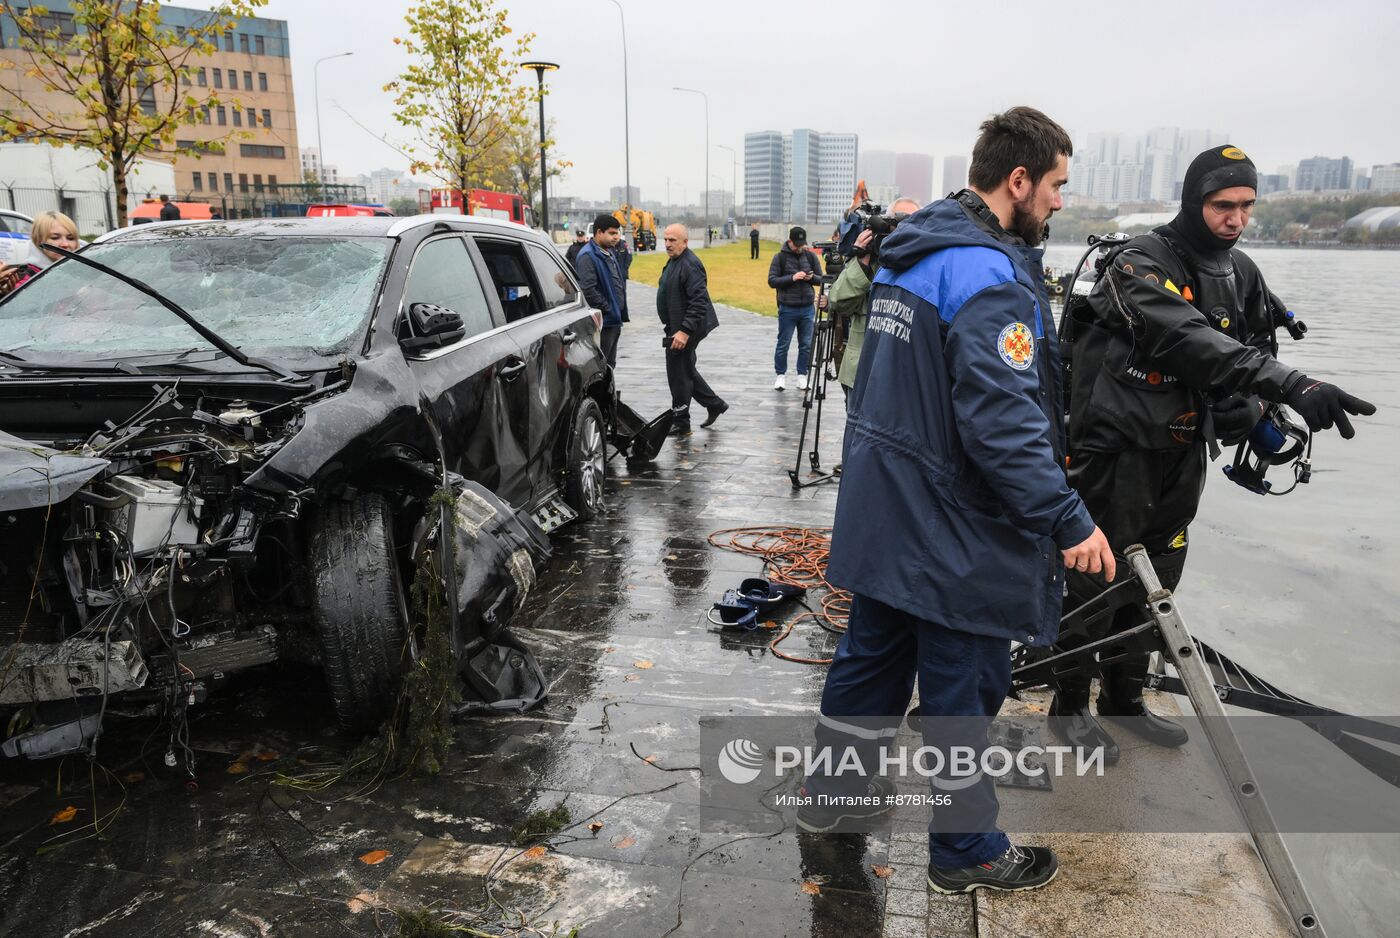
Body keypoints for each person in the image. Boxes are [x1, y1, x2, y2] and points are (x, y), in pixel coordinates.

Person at [805, 107, 1113, 895]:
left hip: (887, 509)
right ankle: (966, 850)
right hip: (953, 529)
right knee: (960, 697)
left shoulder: (913, 250)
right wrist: (1068, 518)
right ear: (1018, 181)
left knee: (868, 667)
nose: (1058, 203)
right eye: (1055, 187)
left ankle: (833, 800)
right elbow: (1003, 423)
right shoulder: (989, 275)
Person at [1053, 145, 1377, 761]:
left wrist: (1257, 408)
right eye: (1222, 205)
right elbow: (1184, 336)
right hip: (1114, 450)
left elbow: (1254, 343)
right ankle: (1069, 707)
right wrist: (1290, 384)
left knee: (1160, 577)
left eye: (1246, 206)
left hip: (1180, 450)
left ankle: (1124, 700)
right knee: (1098, 574)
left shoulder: (1242, 271)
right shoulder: (1139, 263)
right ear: (1194, 201)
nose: (1235, 218)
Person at [831, 198, 921, 397]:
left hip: (903, 380)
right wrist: (861, 260)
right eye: (896, 224)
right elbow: (839, 302)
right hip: (861, 374)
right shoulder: (868, 263)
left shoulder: (925, 264)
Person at [657, 223, 725, 434]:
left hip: (686, 329)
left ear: (685, 242)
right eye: (666, 239)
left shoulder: (690, 264)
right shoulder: (674, 261)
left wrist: (684, 332)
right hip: (676, 327)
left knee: (678, 374)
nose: (667, 244)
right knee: (685, 370)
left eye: (672, 240)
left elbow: (699, 302)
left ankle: (681, 422)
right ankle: (715, 404)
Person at [767, 225, 824, 391]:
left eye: (802, 244)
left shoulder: (811, 257)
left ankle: (802, 375)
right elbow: (772, 281)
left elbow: (821, 279)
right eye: (796, 244)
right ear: (789, 241)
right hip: (787, 308)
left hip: (807, 307)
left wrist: (810, 278)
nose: (800, 247)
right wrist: (792, 278)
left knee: (806, 344)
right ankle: (780, 375)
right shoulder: (779, 258)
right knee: (783, 343)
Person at [574, 214, 630, 368]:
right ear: (599, 232)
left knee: (610, 365)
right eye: (612, 233)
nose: (616, 237)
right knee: (600, 367)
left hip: (614, 320)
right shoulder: (588, 256)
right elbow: (588, 290)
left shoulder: (608, 252)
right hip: (604, 322)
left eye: (617, 233)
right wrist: (608, 308)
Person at [0, 210, 79, 294]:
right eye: (55, 237)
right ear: (38, 240)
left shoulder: (82, 271)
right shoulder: (26, 281)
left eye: (70, 238)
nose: (65, 244)